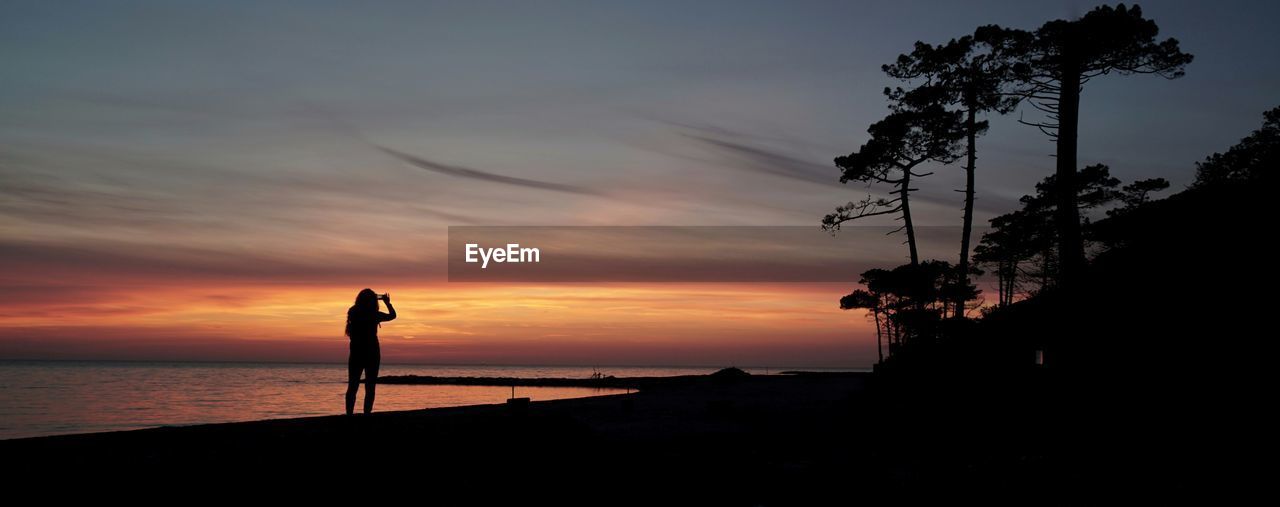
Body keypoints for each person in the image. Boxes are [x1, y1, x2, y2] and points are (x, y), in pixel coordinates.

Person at [345, 288, 396, 415]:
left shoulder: (353, 311)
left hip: (356, 352)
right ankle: (367, 413)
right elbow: (392, 315)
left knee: (353, 385)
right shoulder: (374, 314)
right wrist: (387, 302)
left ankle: (349, 414)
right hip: (372, 352)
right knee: (370, 386)